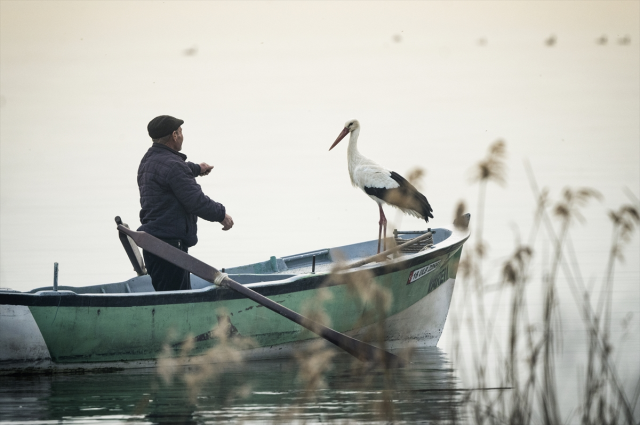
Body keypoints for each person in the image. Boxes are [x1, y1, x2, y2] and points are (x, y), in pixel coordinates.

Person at [138, 115, 234, 291]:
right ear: (174, 135)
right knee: (175, 301)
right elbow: (196, 202)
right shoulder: (174, 166)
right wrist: (222, 215)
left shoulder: (148, 160)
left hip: (153, 244)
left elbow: (170, 170)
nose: (182, 136)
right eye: (181, 132)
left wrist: (197, 168)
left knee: (167, 296)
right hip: (170, 248)